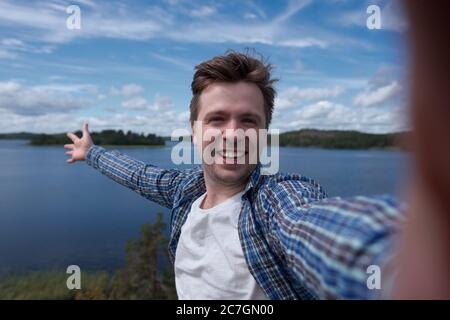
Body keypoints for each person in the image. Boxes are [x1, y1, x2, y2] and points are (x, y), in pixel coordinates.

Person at [65, 51, 402, 299]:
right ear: (194, 133)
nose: (233, 134)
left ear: (264, 135)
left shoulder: (275, 202)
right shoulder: (186, 190)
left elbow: (319, 230)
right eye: (217, 119)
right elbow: (138, 174)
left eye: (248, 121)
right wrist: (90, 153)